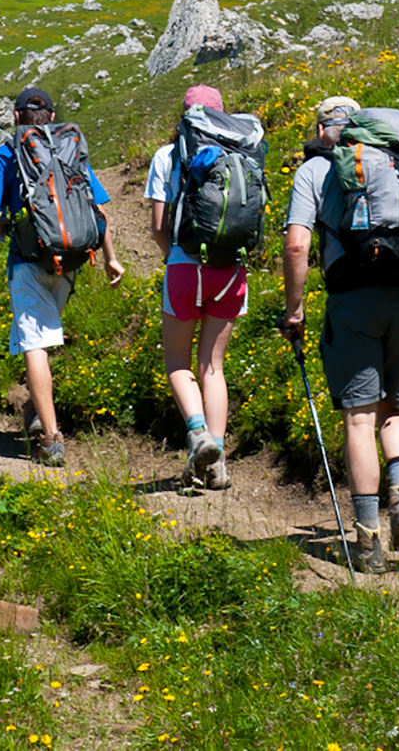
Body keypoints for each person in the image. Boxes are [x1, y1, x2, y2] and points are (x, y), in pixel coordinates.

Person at [281, 95, 399, 574]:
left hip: (354, 298)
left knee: (359, 417)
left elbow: (297, 243)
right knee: (396, 407)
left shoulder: (315, 171)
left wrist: (295, 309)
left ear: (323, 128)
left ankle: (367, 542)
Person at [0, 87, 124, 468]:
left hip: (28, 258)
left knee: (36, 345)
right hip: (72, 258)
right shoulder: (68, 147)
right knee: (43, 337)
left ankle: (51, 437)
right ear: (53, 115)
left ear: (16, 118)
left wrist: (4, 233)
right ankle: (33, 411)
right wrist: (112, 259)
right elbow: (98, 209)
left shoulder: (7, 152)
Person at [144, 85, 250, 492]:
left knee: (178, 363)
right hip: (230, 268)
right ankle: (218, 462)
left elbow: (158, 226)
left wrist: (174, 256)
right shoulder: (239, 151)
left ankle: (198, 434)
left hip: (185, 266)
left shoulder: (167, 155)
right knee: (214, 365)